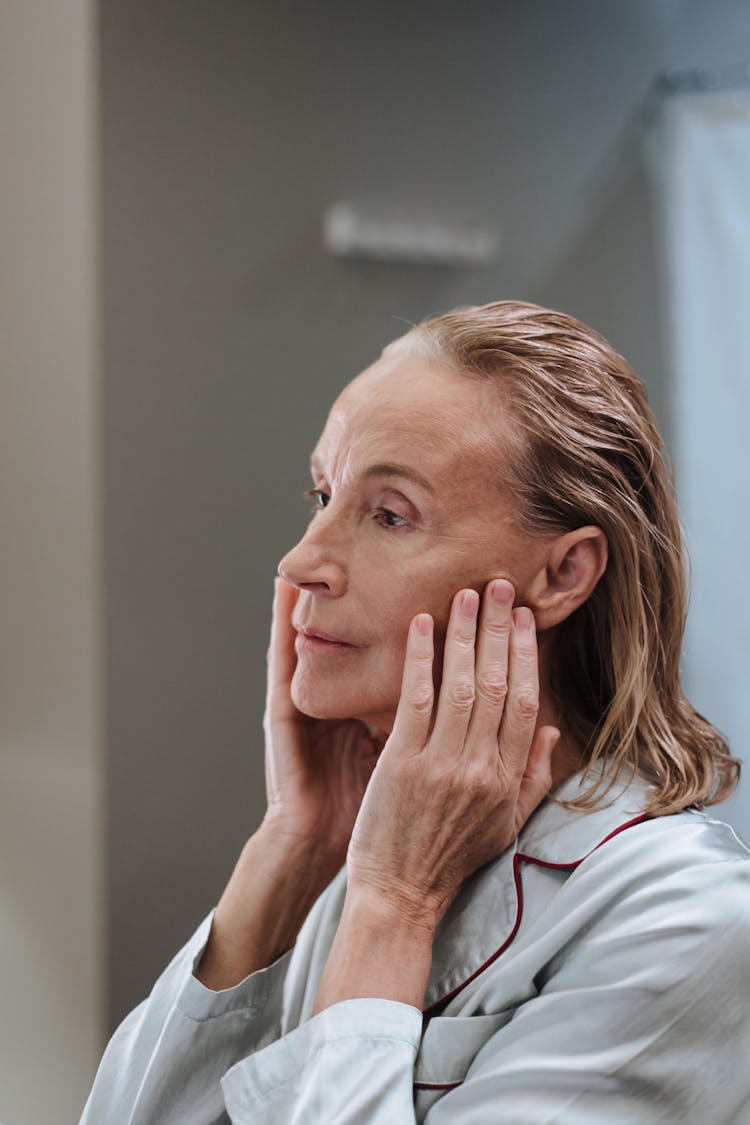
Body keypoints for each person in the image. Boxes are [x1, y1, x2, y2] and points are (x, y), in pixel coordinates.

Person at [81, 301, 750, 1124]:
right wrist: (293, 846)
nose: (302, 559)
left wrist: (395, 907)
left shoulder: (686, 917)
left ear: (564, 573)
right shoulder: (353, 868)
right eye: (323, 493)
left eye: (390, 514)